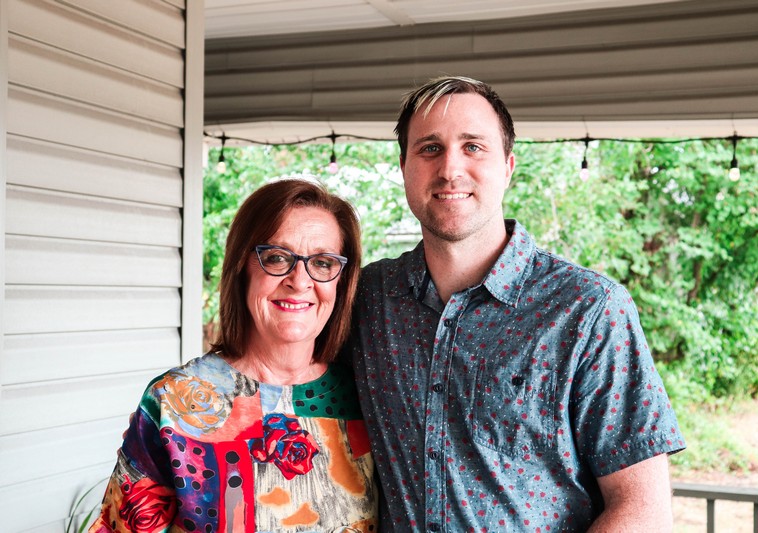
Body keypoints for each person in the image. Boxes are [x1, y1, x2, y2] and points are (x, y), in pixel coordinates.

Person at [350, 76, 685, 531]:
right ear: (404, 167)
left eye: (473, 147)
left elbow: (643, 508)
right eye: (429, 148)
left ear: (508, 167)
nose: (450, 169)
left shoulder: (589, 309)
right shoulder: (368, 297)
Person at [91, 179, 378, 533]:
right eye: (277, 257)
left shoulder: (366, 398)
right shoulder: (173, 404)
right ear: (242, 267)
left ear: (341, 280)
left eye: (322, 263)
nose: (299, 280)